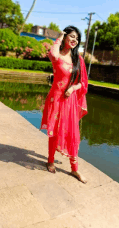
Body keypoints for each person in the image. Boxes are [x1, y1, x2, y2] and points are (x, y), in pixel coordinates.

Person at [40, 25, 88, 183]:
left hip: (70, 101)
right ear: (65, 37)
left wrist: (73, 87)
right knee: (54, 131)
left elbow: (83, 83)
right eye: (71, 36)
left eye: (77, 38)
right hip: (56, 98)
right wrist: (60, 36)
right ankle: (50, 160)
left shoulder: (78, 59)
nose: (74, 40)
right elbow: (52, 52)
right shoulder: (57, 55)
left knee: (72, 132)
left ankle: (75, 169)